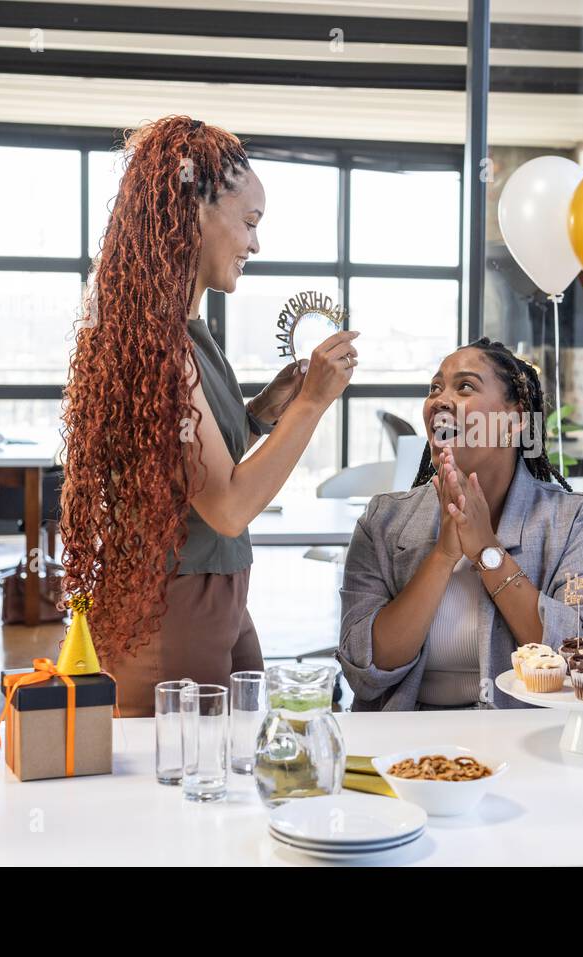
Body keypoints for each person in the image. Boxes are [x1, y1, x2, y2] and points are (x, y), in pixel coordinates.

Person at [60, 116, 358, 716]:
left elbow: (189, 467)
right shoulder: (161, 346)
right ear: (192, 211)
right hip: (179, 607)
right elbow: (225, 506)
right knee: (188, 789)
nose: (255, 245)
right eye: (249, 223)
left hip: (216, 597)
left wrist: (260, 415)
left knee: (242, 764)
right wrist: (313, 402)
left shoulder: (181, 331)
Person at [338, 338, 583, 710]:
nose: (439, 400)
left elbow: (582, 660)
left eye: (464, 386)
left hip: (528, 749)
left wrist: (489, 552)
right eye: (434, 388)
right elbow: (364, 671)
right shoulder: (383, 520)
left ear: (515, 421)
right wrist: (442, 555)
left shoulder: (577, 520)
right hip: (403, 748)